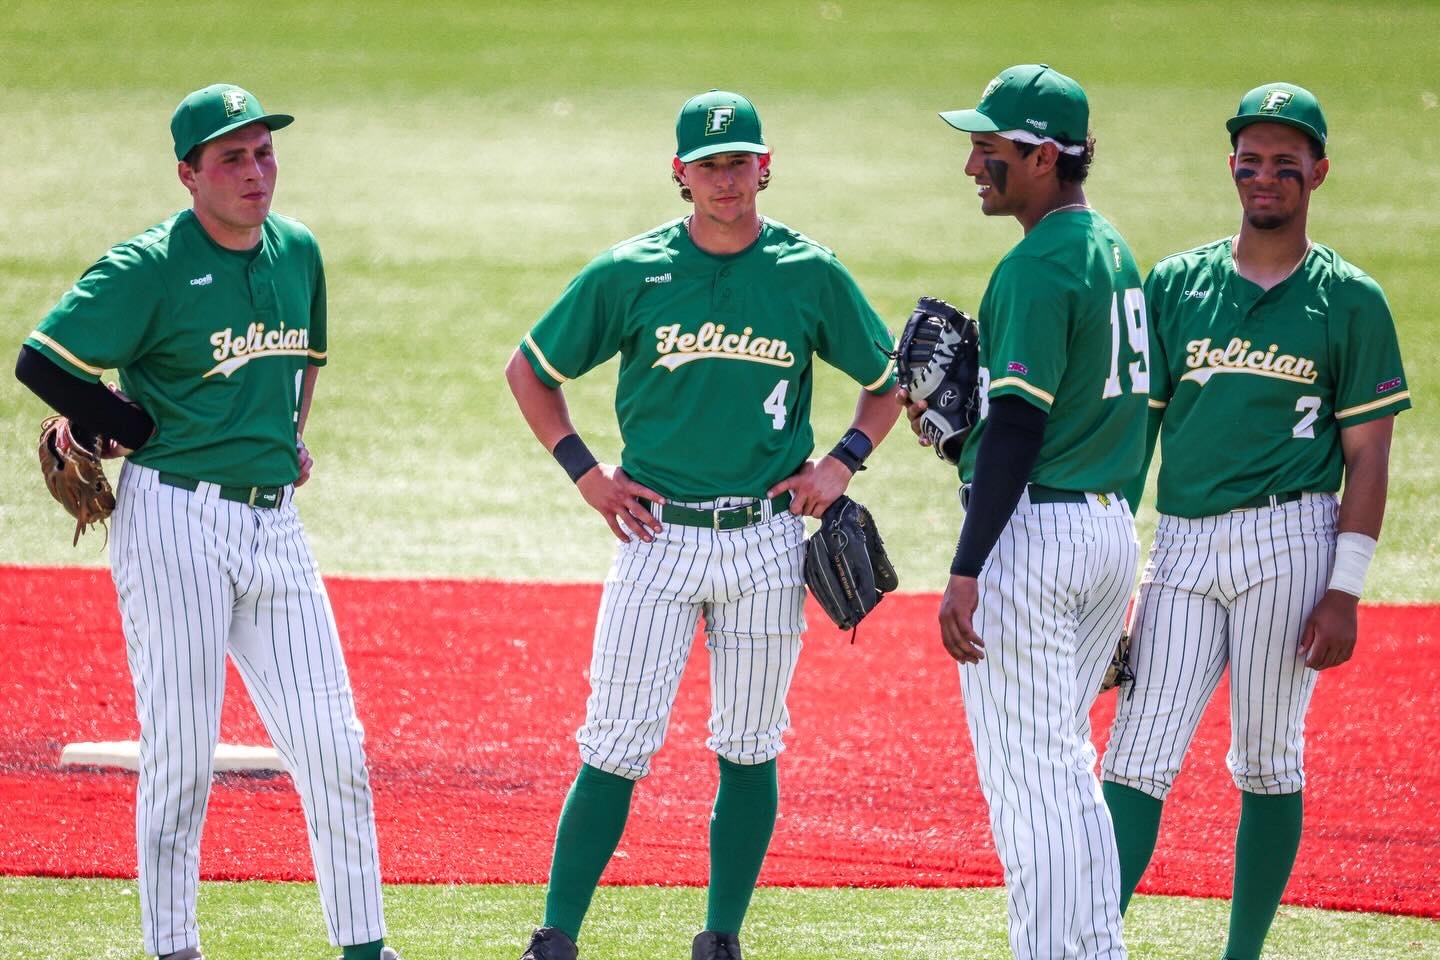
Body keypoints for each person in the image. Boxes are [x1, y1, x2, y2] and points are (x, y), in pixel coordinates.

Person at [505, 89, 901, 960]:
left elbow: (888, 377)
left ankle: (720, 938)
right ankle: (556, 937)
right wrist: (586, 474)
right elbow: (530, 371)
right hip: (655, 537)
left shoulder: (810, 272)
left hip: (764, 540)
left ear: (767, 167)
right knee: (614, 742)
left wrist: (841, 461)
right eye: (710, 165)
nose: (728, 180)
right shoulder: (629, 271)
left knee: (751, 745)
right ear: (680, 174)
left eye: (741, 162)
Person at [14, 84, 401, 960]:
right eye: (232, 158)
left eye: (264, 152)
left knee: (334, 748)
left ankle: (365, 948)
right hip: (175, 524)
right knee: (182, 758)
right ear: (189, 173)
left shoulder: (298, 251)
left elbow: (305, 363)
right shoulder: (148, 265)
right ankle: (175, 948)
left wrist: (289, 441)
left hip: (273, 529)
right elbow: (41, 359)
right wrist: (118, 421)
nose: (255, 172)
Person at [1100, 82, 1410, 960]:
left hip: (1292, 542)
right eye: (1251, 159)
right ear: (1231, 165)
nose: (1264, 174)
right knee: (1135, 753)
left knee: (1269, 756)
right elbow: (1136, 435)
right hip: (1184, 543)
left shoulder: (1349, 300)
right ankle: (1090, 942)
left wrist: (1345, 591)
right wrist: (1115, 568)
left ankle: (1243, 954)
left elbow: (1371, 457)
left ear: (1317, 170)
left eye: (1285, 161)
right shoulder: (1176, 284)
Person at [914, 64, 1149, 959]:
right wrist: (963, 446)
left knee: (1032, 779)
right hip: (1104, 530)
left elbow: (1016, 425)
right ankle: (1093, 949)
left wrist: (965, 568)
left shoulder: (1035, 265)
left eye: (989, 150)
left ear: (1044, 157)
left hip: (1034, 539)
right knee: (1066, 768)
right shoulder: (1116, 253)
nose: (974, 166)